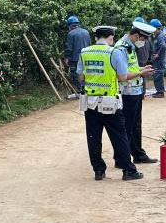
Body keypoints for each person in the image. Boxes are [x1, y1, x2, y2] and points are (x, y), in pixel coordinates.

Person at [76, 26, 145, 181]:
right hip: (110, 103)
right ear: (111, 37)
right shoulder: (113, 52)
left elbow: (81, 76)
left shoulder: (84, 52)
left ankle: (99, 171)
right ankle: (129, 170)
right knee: (119, 136)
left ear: (96, 37)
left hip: (91, 102)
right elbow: (122, 77)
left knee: (93, 137)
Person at [115, 23, 157, 164]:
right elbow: (122, 74)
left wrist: (142, 68)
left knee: (135, 125)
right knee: (127, 126)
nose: (143, 42)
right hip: (128, 93)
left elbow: (129, 67)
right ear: (136, 36)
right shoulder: (121, 48)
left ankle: (138, 154)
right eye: (143, 39)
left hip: (135, 91)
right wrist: (141, 72)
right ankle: (122, 158)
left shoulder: (130, 47)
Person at [65, 16, 91, 94]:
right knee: (86, 73)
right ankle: (87, 89)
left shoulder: (71, 33)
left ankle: (80, 90)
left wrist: (67, 57)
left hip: (75, 58)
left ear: (70, 25)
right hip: (87, 57)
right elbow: (89, 44)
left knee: (76, 75)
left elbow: (69, 47)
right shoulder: (86, 32)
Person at [148, 19, 166, 98]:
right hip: (157, 59)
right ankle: (159, 91)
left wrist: (158, 54)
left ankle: (160, 92)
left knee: (158, 75)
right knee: (156, 74)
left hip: (159, 60)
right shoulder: (156, 35)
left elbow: (163, 46)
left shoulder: (160, 36)